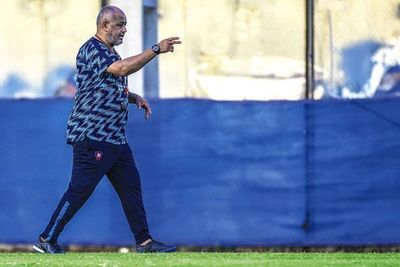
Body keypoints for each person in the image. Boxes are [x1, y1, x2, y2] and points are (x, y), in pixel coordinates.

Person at [32, 5, 181, 254]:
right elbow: (122, 70)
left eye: (125, 25)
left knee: (131, 187)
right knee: (79, 190)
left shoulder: (111, 53)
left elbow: (107, 85)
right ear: (104, 25)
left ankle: (144, 242)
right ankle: (46, 239)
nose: (124, 30)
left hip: (114, 139)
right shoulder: (93, 48)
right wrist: (155, 49)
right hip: (92, 136)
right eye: (119, 24)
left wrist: (133, 97)